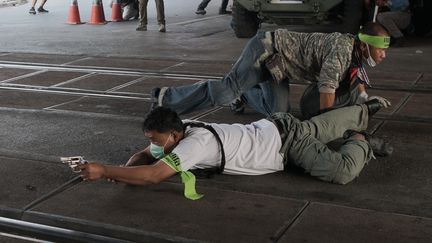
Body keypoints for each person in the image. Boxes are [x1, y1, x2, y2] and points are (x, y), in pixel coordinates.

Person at [78, 100, 392, 200]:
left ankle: (360, 140)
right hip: (276, 127)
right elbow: (144, 157)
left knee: (340, 171)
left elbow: (153, 176)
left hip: (286, 145)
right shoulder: (179, 127)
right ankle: (361, 110)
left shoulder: (193, 145)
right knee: (315, 129)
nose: (155, 145)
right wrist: (126, 169)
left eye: (159, 140)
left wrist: (105, 170)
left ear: (174, 135)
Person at [151, 22, 391, 119]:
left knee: (279, 114)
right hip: (266, 50)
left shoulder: (355, 53)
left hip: (279, 68)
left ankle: (245, 94)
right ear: (364, 44)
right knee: (225, 92)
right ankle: (165, 98)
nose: (383, 55)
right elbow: (326, 90)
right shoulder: (341, 50)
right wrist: (326, 125)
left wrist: (364, 98)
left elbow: (356, 75)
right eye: (380, 49)